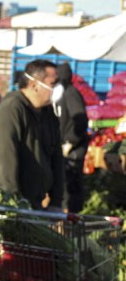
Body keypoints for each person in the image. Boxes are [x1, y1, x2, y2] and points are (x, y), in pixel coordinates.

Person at [0, 59, 64, 281]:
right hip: (10, 204)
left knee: (25, 269)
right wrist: (13, 208)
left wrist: (56, 200)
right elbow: (6, 163)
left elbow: (56, 156)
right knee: (7, 268)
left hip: (34, 203)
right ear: (35, 83)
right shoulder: (11, 108)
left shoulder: (47, 113)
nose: (57, 89)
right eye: (53, 84)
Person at [54, 62, 88, 213]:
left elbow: (80, 120)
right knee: (62, 183)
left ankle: (71, 219)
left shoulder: (70, 93)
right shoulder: (58, 93)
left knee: (71, 184)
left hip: (72, 147)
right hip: (62, 145)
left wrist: (70, 141)